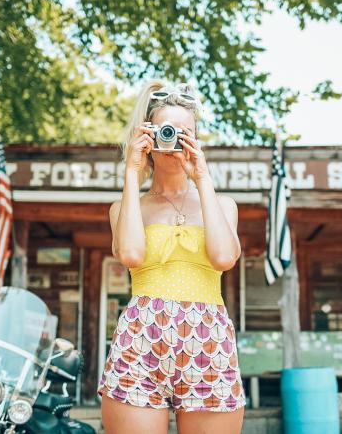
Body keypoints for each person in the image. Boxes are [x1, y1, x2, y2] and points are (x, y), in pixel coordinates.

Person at [97, 79, 246, 434]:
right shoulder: (124, 208)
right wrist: (131, 172)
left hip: (209, 343)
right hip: (139, 343)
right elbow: (131, 253)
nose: (174, 138)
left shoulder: (223, 205)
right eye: (166, 129)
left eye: (185, 132)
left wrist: (202, 176)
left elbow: (224, 257)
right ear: (147, 135)